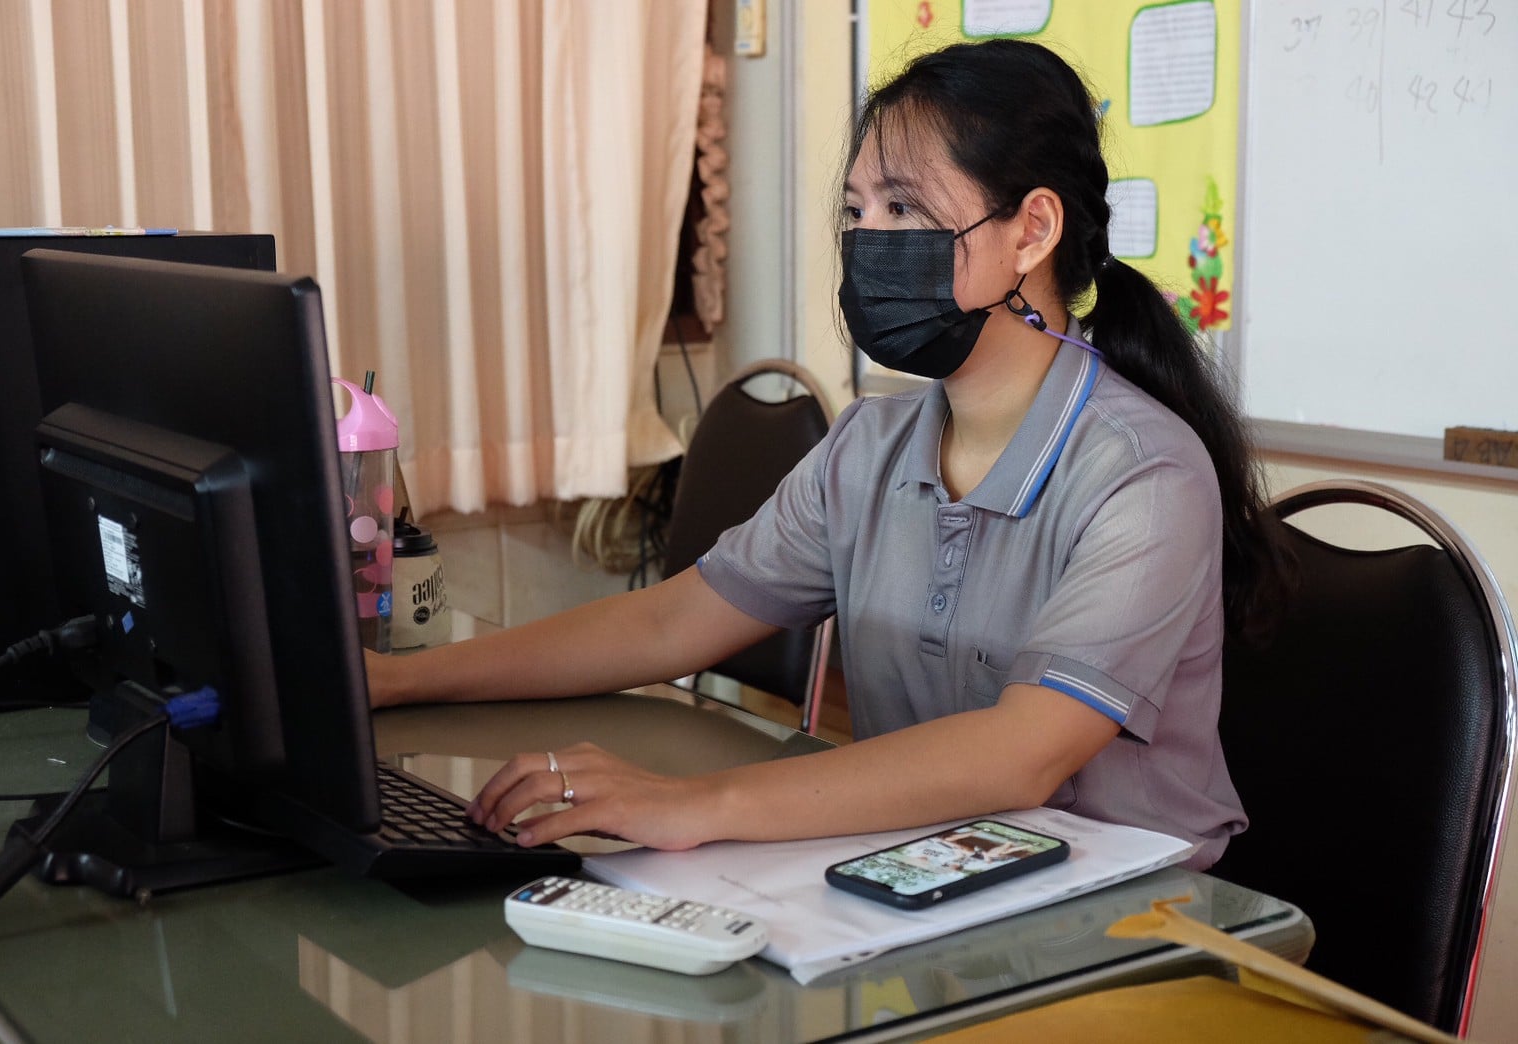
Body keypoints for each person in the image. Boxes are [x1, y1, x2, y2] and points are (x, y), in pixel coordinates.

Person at [367, 38, 1287, 872]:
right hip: (921, 872)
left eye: (905, 207)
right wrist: (396, 681)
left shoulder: (1143, 474)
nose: (869, 242)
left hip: (1127, 921)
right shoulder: (870, 445)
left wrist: (695, 804)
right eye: (856, 209)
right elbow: (668, 624)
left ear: (1032, 231)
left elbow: (1023, 753)